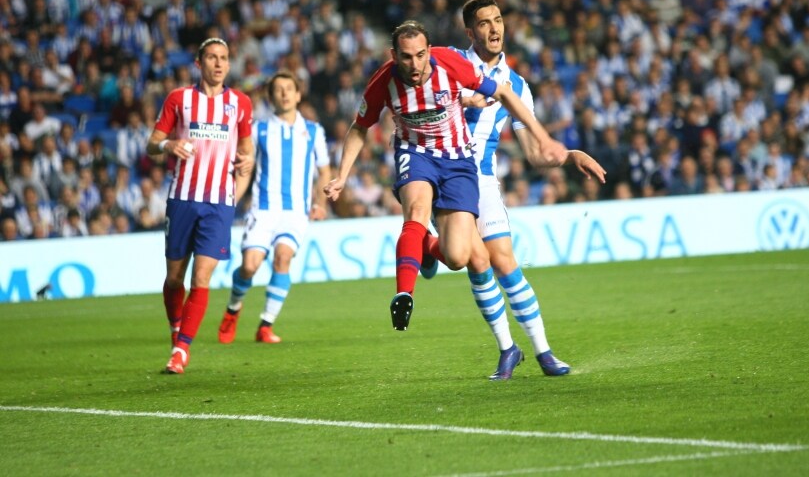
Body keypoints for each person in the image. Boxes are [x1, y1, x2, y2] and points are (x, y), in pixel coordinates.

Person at [324, 21, 567, 379]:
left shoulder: (450, 65)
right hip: (415, 155)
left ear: (429, 50)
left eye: (421, 54)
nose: (415, 64)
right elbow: (360, 128)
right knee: (417, 212)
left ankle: (427, 248)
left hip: (458, 162)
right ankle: (404, 295)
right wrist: (342, 175)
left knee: (457, 257)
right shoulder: (383, 81)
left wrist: (543, 137)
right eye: (406, 57)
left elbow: (503, 93)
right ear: (395, 56)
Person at [424, 0, 607, 378]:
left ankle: (542, 352)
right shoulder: (447, 65)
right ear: (470, 32)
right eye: (485, 22)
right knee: (475, 260)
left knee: (504, 261)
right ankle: (508, 349)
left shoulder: (518, 86)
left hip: (484, 180)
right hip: (446, 174)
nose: (494, 28)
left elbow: (533, 153)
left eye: (498, 20)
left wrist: (569, 154)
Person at [146, 38, 254, 374]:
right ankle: (176, 329)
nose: (219, 64)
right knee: (174, 277)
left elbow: (247, 153)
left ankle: (181, 350)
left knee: (202, 277)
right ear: (199, 63)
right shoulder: (180, 99)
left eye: (224, 58)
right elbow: (151, 145)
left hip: (219, 204)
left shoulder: (240, 103)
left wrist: (242, 170)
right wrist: (168, 144)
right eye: (212, 57)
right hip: (182, 199)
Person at [217, 71, 331, 344]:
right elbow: (245, 169)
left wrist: (320, 202)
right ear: (271, 97)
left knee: (282, 259)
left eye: (288, 88)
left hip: (295, 213)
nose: (284, 93)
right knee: (249, 266)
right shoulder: (259, 130)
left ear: (298, 94)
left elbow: (325, 171)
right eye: (278, 89)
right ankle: (233, 308)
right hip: (263, 209)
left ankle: (265, 326)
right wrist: (229, 202)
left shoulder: (314, 131)